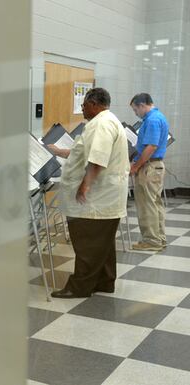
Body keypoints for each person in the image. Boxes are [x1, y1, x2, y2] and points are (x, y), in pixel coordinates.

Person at [51, 88, 130, 298]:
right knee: (101, 244)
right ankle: (104, 282)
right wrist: (59, 151)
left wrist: (84, 186)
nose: (82, 109)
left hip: (96, 200)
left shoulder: (101, 124)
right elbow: (83, 150)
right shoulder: (106, 121)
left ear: (94, 104)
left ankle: (79, 287)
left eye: (84, 105)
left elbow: (97, 159)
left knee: (87, 244)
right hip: (106, 199)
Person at [129, 93, 169, 251]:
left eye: (135, 110)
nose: (135, 113)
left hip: (149, 167)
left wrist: (136, 166)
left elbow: (151, 146)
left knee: (147, 205)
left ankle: (151, 241)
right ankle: (159, 239)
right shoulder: (158, 116)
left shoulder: (152, 120)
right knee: (155, 203)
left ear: (142, 105)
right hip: (155, 166)